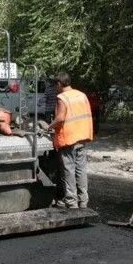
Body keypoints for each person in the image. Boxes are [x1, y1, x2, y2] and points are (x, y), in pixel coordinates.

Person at [48, 73, 94, 209]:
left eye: (55, 85)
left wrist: (49, 126)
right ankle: (83, 201)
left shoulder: (62, 97)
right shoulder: (81, 95)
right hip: (82, 136)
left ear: (59, 84)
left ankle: (71, 202)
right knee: (81, 170)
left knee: (69, 170)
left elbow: (61, 118)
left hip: (69, 138)